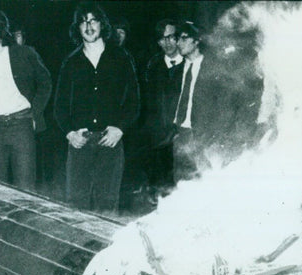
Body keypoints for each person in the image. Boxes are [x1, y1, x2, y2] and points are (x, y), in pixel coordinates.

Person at [53, 1, 139, 213]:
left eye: (93, 21)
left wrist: (120, 128)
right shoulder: (70, 62)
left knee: (107, 204)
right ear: (77, 28)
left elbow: (134, 101)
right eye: (83, 22)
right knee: (75, 206)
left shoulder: (120, 57)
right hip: (79, 144)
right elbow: (60, 107)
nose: (88, 26)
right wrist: (70, 133)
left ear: (102, 25)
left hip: (109, 143)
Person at [0, 9, 51, 191]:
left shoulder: (24, 53)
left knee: (26, 187)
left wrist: (34, 112)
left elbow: (45, 83)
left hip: (21, 125)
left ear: (1, 30)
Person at [172, 21, 263, 183]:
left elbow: (227, 108)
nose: (179, 43)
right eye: (177, 39)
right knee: (180, 189)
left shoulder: (216, 70)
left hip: (205, 140)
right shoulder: (176, 71)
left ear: (197, 40)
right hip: (180, 137)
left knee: (206, 187)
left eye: (184, 38)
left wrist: (215, 140)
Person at [143, 18, 183, 195]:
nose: (166, 43)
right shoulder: (153, 66)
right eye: (161, 39)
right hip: (158, 139)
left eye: (171, 37)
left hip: (183, 136)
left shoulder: (190, 64)